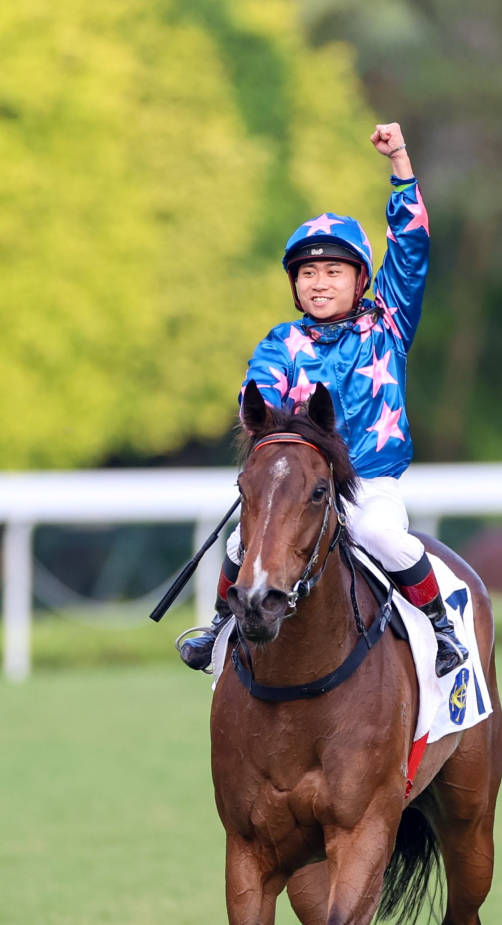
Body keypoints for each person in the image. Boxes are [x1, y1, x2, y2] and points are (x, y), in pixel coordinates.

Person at [180, 122, 468, 677]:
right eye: (307, 273)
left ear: (360, 280)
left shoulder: (388, 323)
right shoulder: (281, 343)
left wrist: (401, 165)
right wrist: (261, 412)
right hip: (298, 487)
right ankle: (218, 629)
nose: (319, 283)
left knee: (380, 535)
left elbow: (409, 249)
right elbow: (258, 397)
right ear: (294, 285)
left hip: (370, 483)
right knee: (243, 547)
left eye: (333, 271)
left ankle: (441, 626)